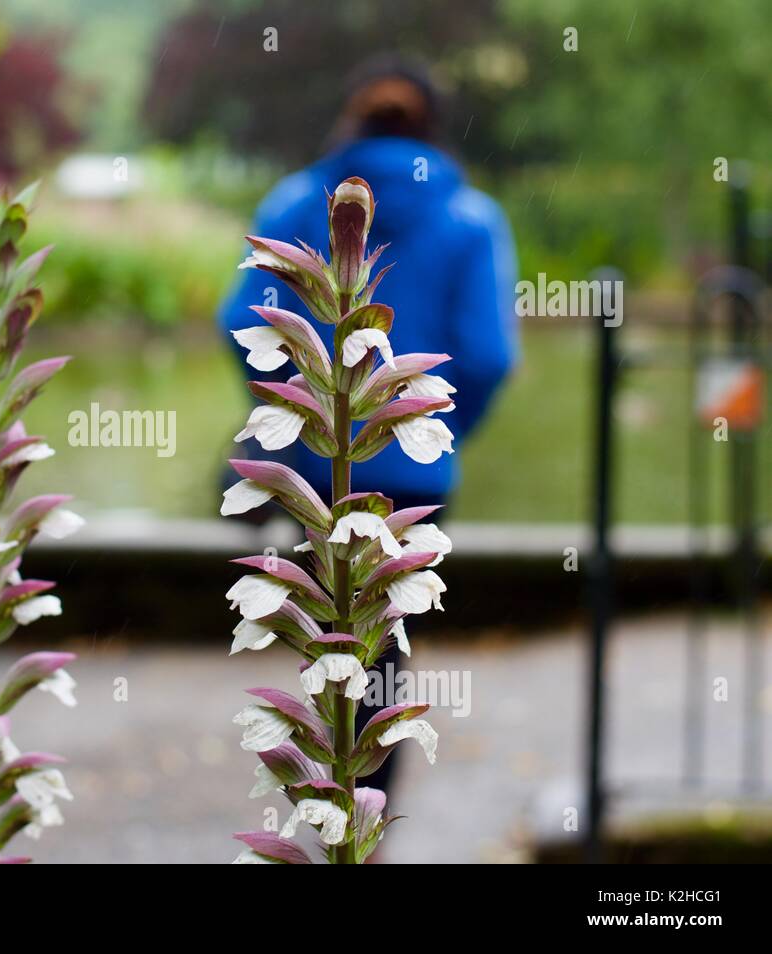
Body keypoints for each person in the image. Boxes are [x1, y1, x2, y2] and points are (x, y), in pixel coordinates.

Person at [220, 56, 518, 796]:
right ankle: (366, 821)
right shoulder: (470, 217)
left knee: (319, 627)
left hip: (310, 472)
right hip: (412, 481)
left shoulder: (293, 204)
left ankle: (324, 803)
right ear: (432, 126)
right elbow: (485, 356)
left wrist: (291, 414)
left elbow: (238, 322)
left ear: (350, 122)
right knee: (384, 653)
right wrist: (434, 429)